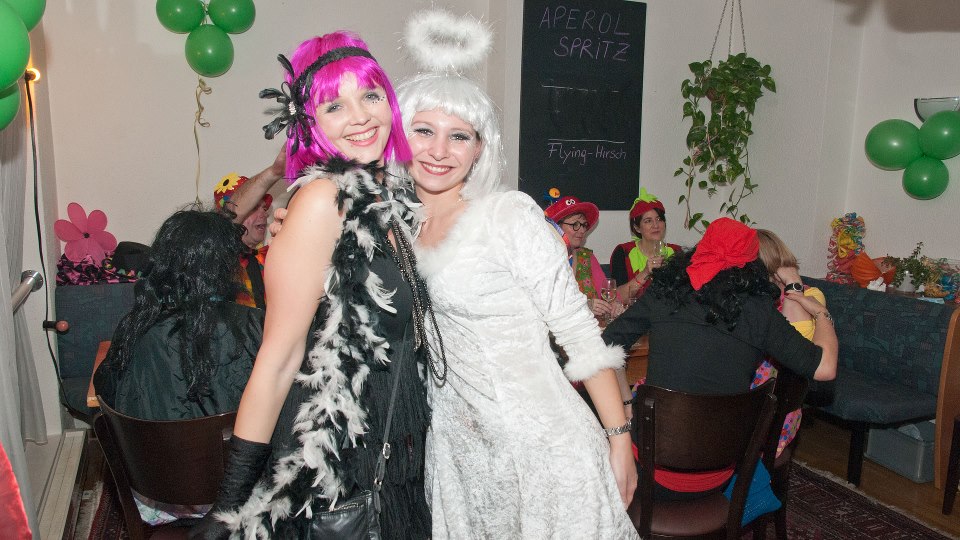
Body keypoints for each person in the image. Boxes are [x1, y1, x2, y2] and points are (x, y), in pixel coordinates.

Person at [393, 13, 638, 537]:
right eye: (423, 130)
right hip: (459, 451)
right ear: (400, 136)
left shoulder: (507, 216)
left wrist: (619, 439)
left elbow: (578, 332)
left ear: (479, 148)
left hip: (542, 446)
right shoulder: (397, 227)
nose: (439, 150)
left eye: (459, 136)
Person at [192, 31, 434, 539]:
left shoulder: (389, 193)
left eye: (370, 96)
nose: (360, 116)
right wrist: (229, 504)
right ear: (309, 122)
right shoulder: (323, 199)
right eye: (334, 105)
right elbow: (278, 359)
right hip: (337, 463)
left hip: (393, 447)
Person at [602, 217, 837, 500]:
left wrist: (626, 405)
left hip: (650, 469)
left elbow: (603, 346)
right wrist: (821, 313)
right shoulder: (760, 312)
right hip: (720, 474)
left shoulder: (663, 294)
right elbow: (825, 368)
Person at [94, 208, 262, 525]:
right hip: (243, 496)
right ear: (225, 266)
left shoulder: (135, 328)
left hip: (159, 497)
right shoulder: (258, 327)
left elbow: (106, 393)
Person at [753, 228, 828, 456]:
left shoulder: (811, 296)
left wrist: (792, 284)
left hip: (776, 410)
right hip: (742, 399)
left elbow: (794, 346)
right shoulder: (752, 299)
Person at [545, 195, 622, 321]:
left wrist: (616, 305)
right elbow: (546, 306)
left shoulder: (587, 257)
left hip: (591, 330)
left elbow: (610, 296)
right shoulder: (543, 261)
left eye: (584, 225)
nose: (581, 230)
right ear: (556, 228)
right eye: (575, 224)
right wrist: (584, 306)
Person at [610, 188, 681, 299]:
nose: (656, 225)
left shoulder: (677, 252)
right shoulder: (623, 252)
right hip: (634, 310)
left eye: (659, 219)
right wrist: (645, 272)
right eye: (648, 221)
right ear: (637, 228)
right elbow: (617, 298)